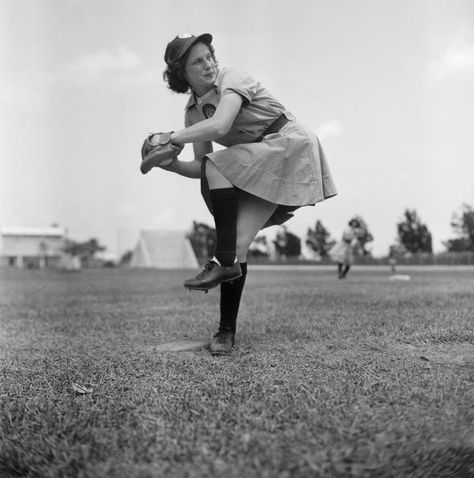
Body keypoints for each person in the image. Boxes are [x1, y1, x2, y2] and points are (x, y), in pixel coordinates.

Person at [147, 33, 337, 354]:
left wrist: (170, 137)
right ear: (182, 73)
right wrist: (171, 165)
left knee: (219, 178)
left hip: (289, 144)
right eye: (197, 61)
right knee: (237, 247)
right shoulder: (192, 115)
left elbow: (220, 126)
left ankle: (221, 260)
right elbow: (202, 167)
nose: (208, 64)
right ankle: (226, 332)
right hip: (263, 159)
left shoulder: (232, 78)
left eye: (209, 56)